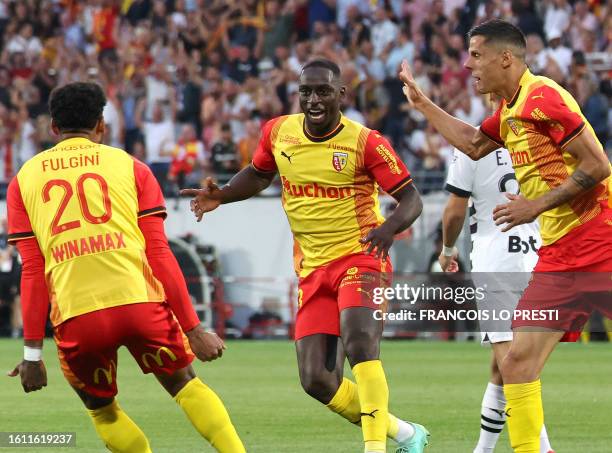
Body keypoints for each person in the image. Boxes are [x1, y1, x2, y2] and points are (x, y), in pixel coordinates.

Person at [182, 59, 429, 453]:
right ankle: (403, 433)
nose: (313, 100)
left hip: (361, 256)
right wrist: (223, 194)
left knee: (360, 342)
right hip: (313, 268)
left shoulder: (366, 142)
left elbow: (411, 199)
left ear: (341, 95)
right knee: (316, 379)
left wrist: (387, 230)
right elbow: (261, 173)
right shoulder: (278, 132)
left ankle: (374, 448)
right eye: (306, 92)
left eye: (323, 91)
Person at [400, 19, 611, 452]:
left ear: (506, 58)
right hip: (560, 253)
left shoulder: (543, 98)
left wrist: (534, 205)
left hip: (600, 237)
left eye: (476, 55)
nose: (467, 64)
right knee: (517, 363)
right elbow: (474, 144)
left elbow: (597, 165)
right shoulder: (511, 110)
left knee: (516, 360)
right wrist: (423, 104)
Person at [7, 82, 245, 453]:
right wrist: (194, 329)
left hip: (76, 314)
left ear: (53, 128)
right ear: (102, 124)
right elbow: (159, 253)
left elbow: (33, 272)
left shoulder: (23, 181)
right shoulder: (132, 167)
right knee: (186, 386)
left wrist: (32, 355)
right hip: (139, 302)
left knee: (102, 413)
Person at [439, 142, 556, 453]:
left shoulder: (471, 143)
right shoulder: (536, 139)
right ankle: (483, 450)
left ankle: (542, 448)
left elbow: (454, 209)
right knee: (505, 366)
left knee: (515, 368)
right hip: (538, 258)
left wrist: (447, 250)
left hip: (496, 262)